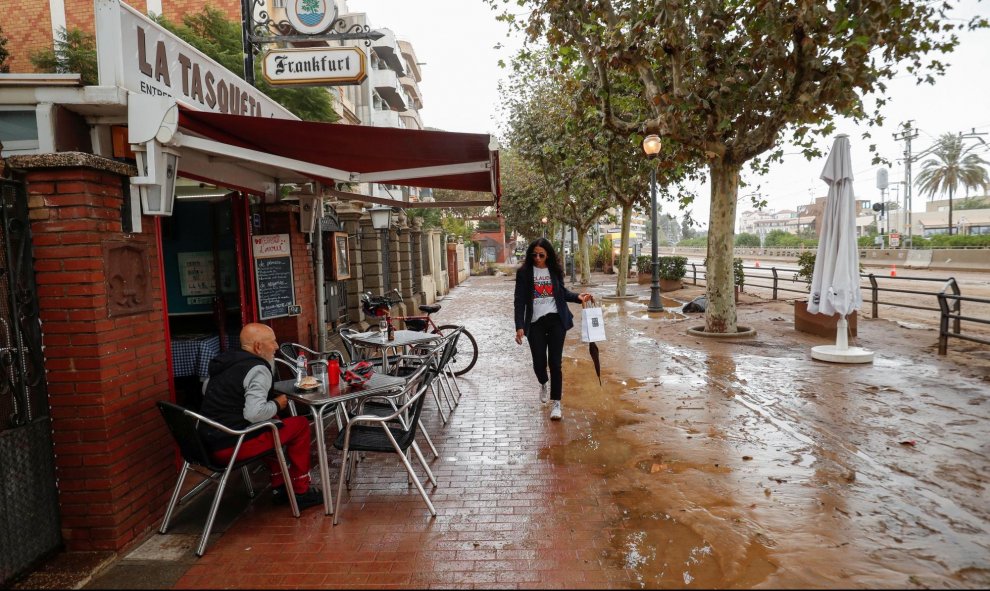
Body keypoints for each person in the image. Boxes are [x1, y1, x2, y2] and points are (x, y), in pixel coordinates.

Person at [199, 323, 322, 510]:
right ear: (258, 347)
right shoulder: (258, 369)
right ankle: (300, 490)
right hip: (232, 445)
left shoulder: (224, 363)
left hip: (207, 442)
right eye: (272, 342)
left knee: (275, 424)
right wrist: (277, 404)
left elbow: (206, 389)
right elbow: (254, 413)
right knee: (300, 424)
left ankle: (280, 485)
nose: (276, 347)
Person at [514, 237, 593, 420]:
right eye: (534, 255)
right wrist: (519, 326)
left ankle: (556, 402)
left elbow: (561, 293)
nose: (538, 258)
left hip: (557, 320)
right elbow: (519, 301)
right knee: (538, 362)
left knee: (555, 363)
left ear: (548, 254)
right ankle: (543, 382)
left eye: (541, 255)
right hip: (535, 323)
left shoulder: (555, 270)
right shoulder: (524, 273)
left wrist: (577, 297)